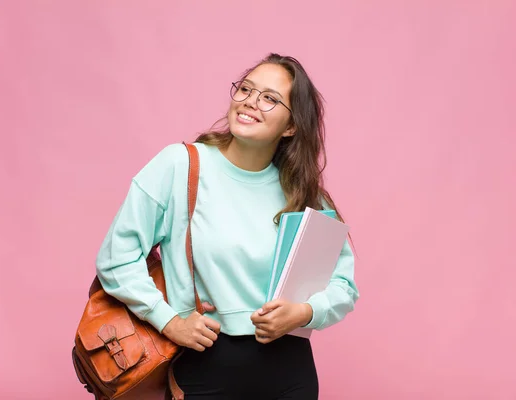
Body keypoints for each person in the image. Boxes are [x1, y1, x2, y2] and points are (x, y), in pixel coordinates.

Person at [95, 53, 359, 400]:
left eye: (269, 98)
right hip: (204, 367)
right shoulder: (180, 166)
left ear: (291, 126)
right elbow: (116, 259)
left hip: (289, 372)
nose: (251, 101)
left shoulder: (303, 193)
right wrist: (169, 321)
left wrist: (304, 312)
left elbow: (343, 285)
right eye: (246, 89)